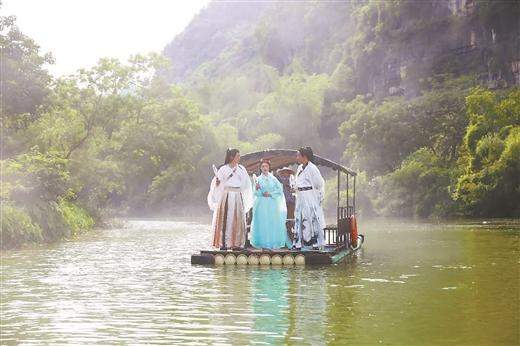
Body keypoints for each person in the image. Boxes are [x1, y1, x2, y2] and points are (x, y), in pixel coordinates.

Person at [207, 148, 253, 250]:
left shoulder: (241, 169)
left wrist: (241, 190)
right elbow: (217, 185)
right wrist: (218, 184)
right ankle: (224, 243)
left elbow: (246, 184)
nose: (239, 158)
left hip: (237, 196)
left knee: (238, 219)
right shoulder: (223, 169)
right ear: (232, 157)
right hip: (226, 196)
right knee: (226, 219)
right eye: (237, 156)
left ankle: (237, 244)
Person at [250, 159, 290, 249]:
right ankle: (263, 243)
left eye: (266, 166)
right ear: (260, 168)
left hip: (272, 203)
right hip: (262, 204)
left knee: (272, 222)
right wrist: (258, 190)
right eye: (263, 166)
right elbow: (255, 193)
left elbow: (279, 190)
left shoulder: (273, 179)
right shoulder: (258, 179)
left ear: (269, 167)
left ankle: (273, 243)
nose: (265, 168)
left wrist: (271, 194)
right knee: (263, 222)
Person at [294, 147, 326, 249]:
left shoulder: (312, 168)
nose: (297, 157)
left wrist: (315, 195)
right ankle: (299, 242)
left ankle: (315, 242)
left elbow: (319, 183)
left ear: (305, 156)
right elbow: (297, 181)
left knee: (311, 217)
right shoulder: (299, 168)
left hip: (309, 195)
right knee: (300, 218)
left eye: (298, 155)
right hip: (300, 196)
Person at [276, 167, 296, 243]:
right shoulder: (282, 181)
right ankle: (286, 236)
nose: (285, 174)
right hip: (283, 202)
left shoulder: (290, 180)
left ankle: (290, 236)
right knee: (284, 219)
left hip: (290, 202)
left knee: (290, 219)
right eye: (283, 173)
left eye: (286, 172)